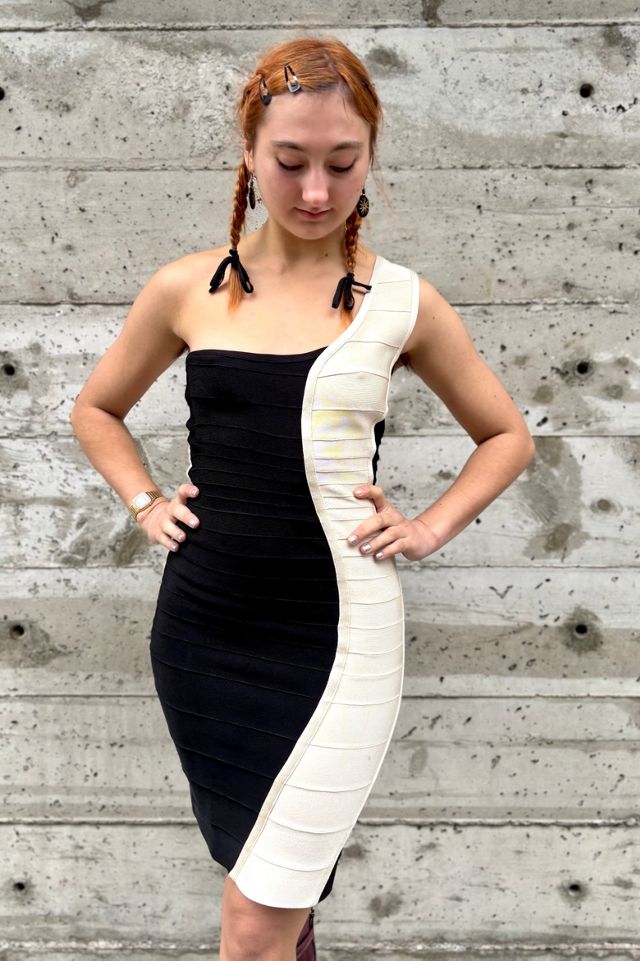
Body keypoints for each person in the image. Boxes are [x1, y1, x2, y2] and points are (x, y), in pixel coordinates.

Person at [70, 35, 535, 961]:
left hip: (341, 636)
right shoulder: (185, 289)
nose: (317, 191)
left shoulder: (401, 302)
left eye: (342, 163)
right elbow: (96, 409)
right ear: (249, 152)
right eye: (290, 162)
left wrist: (428, 526)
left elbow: (507, 435)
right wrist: (145, 500)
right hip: (205, 635)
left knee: (255, 921)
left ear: (371, 158)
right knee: (274, 895)